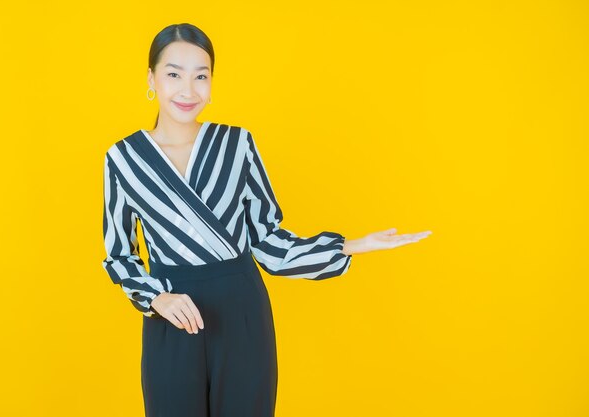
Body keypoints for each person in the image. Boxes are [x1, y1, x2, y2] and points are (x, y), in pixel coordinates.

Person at [101, 22, 432, 417]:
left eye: (200, 76)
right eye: (174, 74)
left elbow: (268, 243)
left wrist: (349, 245)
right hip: (173, 316)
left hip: (242, 313)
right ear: (152, 78)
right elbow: (119, 255)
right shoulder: (123, 159)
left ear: (211, 83)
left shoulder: (237, 144)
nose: (188, 90)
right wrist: (158, 297)